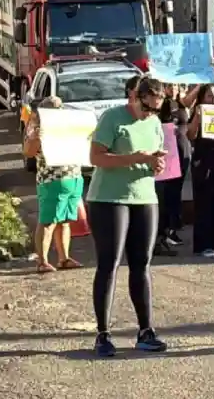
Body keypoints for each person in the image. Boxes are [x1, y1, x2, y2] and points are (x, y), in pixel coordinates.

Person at [86, 75, 168, 357]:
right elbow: (96, 158)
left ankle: (146, 331)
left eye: (157, 108)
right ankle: (102, 334)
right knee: (109, 264)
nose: (151, 113)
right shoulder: (113, 118)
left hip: (144, 197)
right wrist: (136, 157)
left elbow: (154, 159)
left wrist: (156, 163)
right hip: (108, 199)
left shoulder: (154, 123)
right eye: (148, 107)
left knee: (141, 264)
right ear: (136, 97)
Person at [22, 96, 84, 273]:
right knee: (48, 221)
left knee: (64, 221)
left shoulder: (69, 127)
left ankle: (64, 258)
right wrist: (35, 137)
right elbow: (28, 151)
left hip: (73, 177)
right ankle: (42, 261)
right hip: (52, 180)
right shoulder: (38, 129)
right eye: (54, 109)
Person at [188, 85, 214, 257]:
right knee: (204, 203)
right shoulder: (198, 112)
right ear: (203, 98)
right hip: (202, 161)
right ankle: (203, 245)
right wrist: (197, 117)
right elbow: (190, 135)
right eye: (210, 96)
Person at [153, 84, 191, 257]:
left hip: (181, 154)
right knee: (164, 195)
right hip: (167, 156)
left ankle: (171, 230)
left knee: (175, 194)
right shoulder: (162, 106)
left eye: (175, 85)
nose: (173, 88)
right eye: (168, 86)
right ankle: (160, 235)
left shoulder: (181, 104)